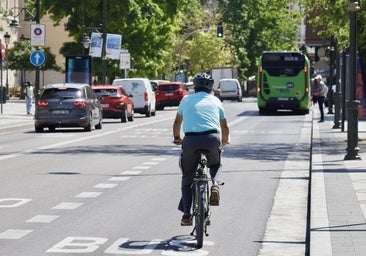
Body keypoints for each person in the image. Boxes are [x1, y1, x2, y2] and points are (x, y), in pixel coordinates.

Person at [172, 72, 230, 226]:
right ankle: (215, 185)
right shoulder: (216, 101)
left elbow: (177, 122)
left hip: (191, 140)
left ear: (195, 86)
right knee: (216, 165)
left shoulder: (186, 99)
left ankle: (186, 214)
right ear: (211, 88)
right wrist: (224, 141)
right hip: (212, 139)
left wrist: (177, 138)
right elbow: (224, 126)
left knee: (187, 179)